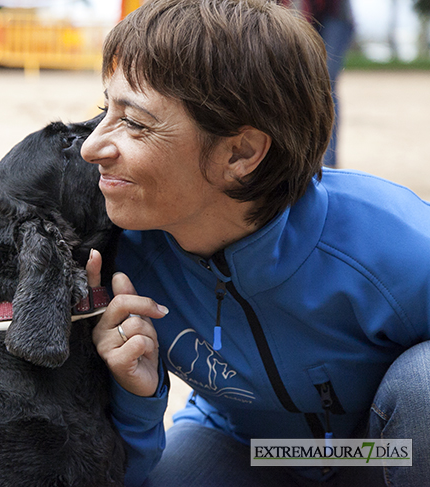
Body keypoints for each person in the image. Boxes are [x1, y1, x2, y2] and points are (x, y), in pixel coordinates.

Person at [80, 0, 430, 486]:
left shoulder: (391, 241)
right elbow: (127, 469)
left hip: (379, 456)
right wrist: (137, 398)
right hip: (256, 451)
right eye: (105, 110)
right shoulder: (122, 254)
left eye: (136, 122)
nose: (90, 146)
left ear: (240, 152)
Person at [282, 0, 355, 167]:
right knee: (293, 82)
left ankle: (327, 165)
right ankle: (295, 160)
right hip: (295, 13)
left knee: (325, 84)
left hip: (335, 17)